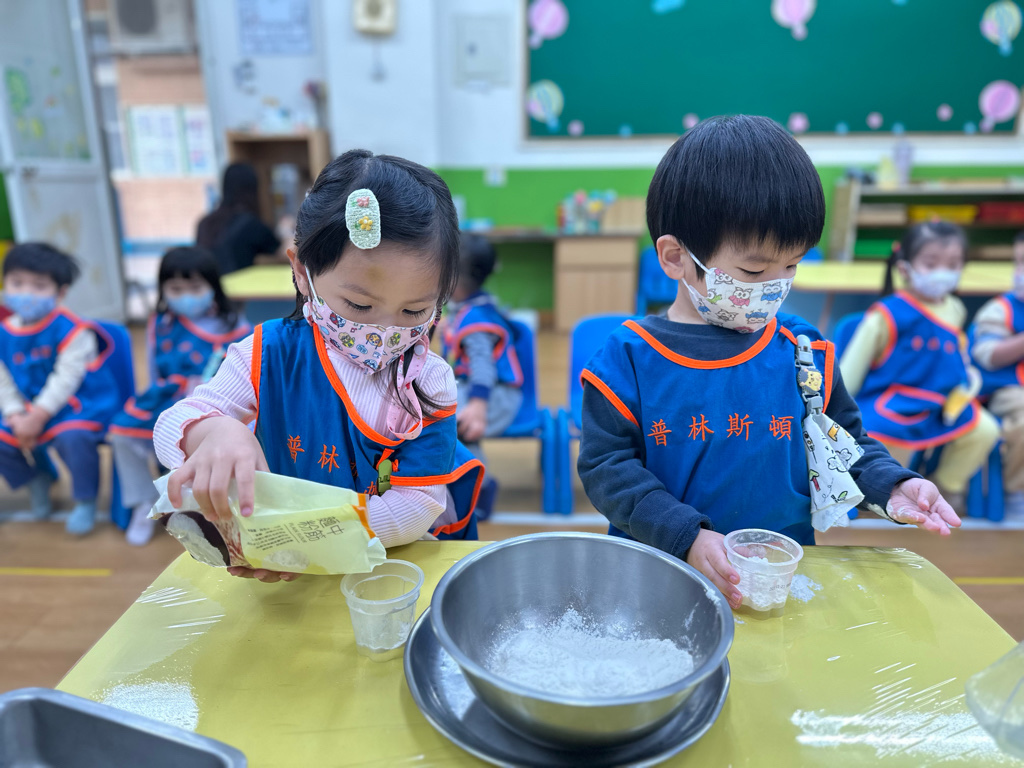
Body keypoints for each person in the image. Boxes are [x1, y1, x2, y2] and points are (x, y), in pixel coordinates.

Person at [577, 115, 960, 610]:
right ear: (675, 257)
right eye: (754, 269)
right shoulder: (627, 360)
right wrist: (685, 536)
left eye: (792, 265)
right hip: (661, 578)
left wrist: (893, 484)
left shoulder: (804, 351)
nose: (775, 285)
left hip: (779, 582)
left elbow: (843, 444)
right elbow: (607, 468)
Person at [155, 150, 483, 582]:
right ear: (301, 271)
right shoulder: (267, 353)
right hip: (285, 574)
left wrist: (307, 542)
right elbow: (170, 426)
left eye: (414, 311)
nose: (383, 330)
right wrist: (214, 432)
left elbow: (416, 505)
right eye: (359, 305)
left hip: (384, 567)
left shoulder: (428, 380)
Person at [841, 222, 1000, 513]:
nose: (943, 272)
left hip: (941, 403)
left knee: (985, 429)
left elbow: (955, 357)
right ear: (905, 268)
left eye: (953, 264)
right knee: (882, 441)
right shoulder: (885, 315)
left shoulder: (955, 309)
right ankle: (885, 498)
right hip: (890, 402)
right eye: (931, 263)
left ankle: (945, 487)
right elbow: (849, 375)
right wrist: (839, 410)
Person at [109, 247, 250, 546]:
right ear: (162, 289)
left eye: (195, 287)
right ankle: (143, 502)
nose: (186, 296)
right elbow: (153, 369)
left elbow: (246, 380)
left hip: (215, 405)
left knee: (209, 443)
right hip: (166, 398)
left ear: (213, 286)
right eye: (175, 289)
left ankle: (198, 506)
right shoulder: (160, 323)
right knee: (121, 432)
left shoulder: (235, 325)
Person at [0, 243, 120, 534]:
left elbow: (66, 379)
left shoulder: (74, 330)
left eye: (39, 286)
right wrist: (15, 414)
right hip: (26, 406)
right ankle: (35, 479)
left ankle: (85, 500)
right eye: (17, 283)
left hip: (77, 406)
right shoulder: (4, 330)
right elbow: (2, 378)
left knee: (74, 438)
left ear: (60, 292)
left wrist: (36, 417)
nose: (26, 293)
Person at [439, 233, 524, 518]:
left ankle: (479, 490)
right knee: (446, 420)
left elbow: (483, 368)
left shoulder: (476, 320)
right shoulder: (475, 306)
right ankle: (476, 486)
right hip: (483, 391)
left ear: (452, 279)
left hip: (493, 396)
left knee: (446, 421)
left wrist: (478, 406)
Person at [968, 230, 1024, 518]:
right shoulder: (1001, 309)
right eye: (1019, 262)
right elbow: (986, 355)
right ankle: (1017, 491)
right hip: (1006, 390)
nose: (1021, 271)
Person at [196, 163, 293, 276]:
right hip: (238, 286)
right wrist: (286, 230)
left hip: (211, 285)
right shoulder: (250, 224)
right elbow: (285, 253)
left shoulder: (205, 222)